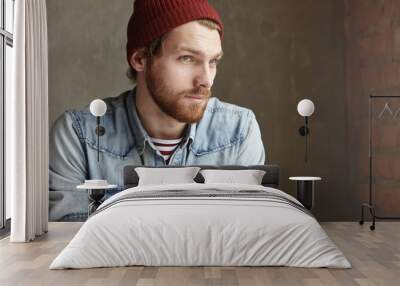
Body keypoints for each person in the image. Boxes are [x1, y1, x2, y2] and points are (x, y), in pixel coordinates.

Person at [49, 0, 266, 221]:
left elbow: (249, 235)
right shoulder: (78, 136)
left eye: (213, 61)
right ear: (140, 59)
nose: (206, 80)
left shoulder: (239, 131)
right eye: (187, 58)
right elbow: (70, 244)